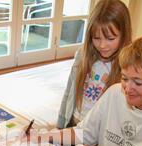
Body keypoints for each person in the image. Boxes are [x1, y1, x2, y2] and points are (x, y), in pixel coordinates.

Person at [57, 0, 132, 129]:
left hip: (97, 135)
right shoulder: (82, 55)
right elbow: (69, 91)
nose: (102, 45)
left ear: (124, 34)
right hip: (73, 125)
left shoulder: (128, 66)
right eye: (96, 38)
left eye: (110, 39)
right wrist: (60, 124)